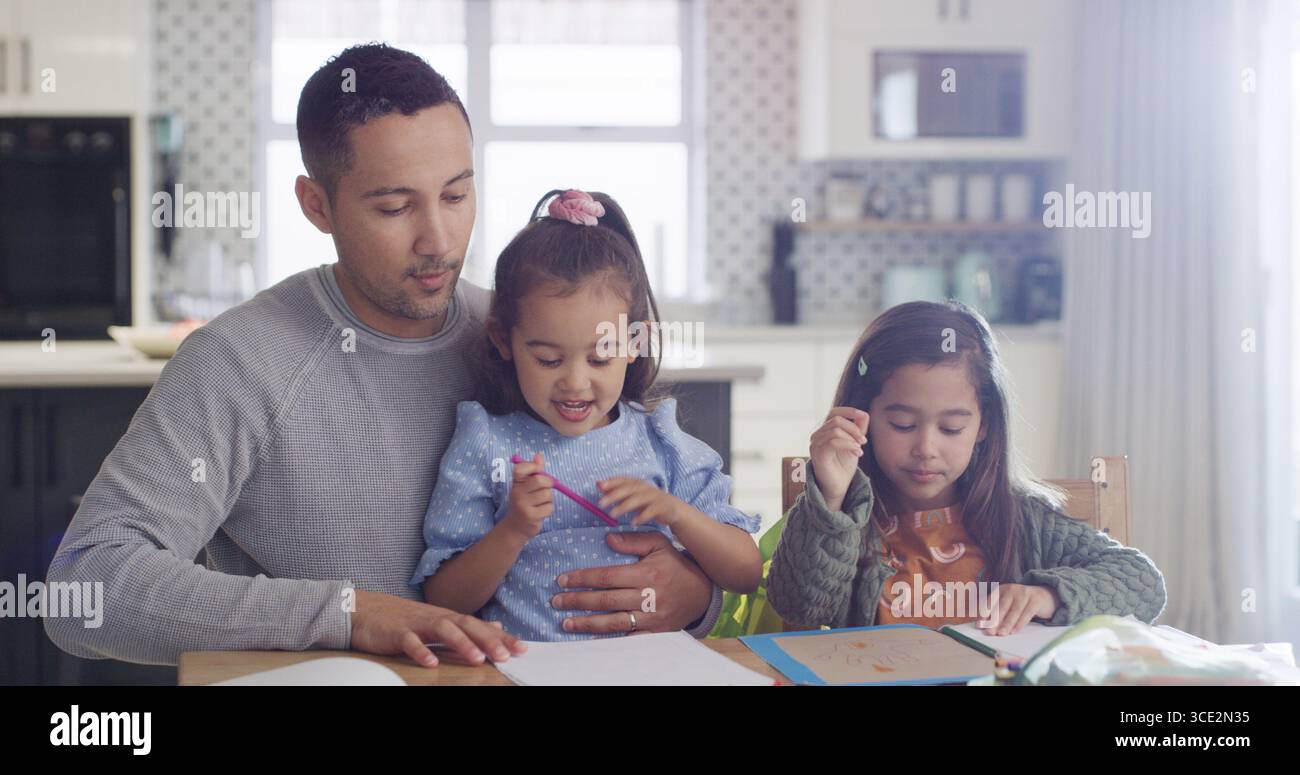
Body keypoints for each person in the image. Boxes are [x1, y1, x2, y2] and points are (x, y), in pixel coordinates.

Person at [413, 189, 761, 640]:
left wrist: (677, 514)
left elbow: (745, 573)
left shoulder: (662, 442)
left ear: (636, 342)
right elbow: (445, 600)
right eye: (548, 360)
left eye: (600, 359)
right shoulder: (487, 444)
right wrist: (513, 529)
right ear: (503, 339)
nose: (575, 384)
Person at [767, 300, 1166, 634]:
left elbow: (1143, 583)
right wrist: (832, 498)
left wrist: (1049, 595)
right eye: (902, 424)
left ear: (984, 426)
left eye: (951, 427)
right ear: (861, 414)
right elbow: (798, 606)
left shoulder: (1024, 519)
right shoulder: (846, 515)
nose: (926, 448)